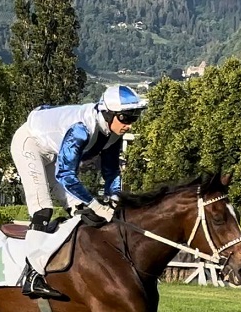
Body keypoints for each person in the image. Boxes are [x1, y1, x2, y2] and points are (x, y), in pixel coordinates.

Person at [10, 85, 148, 298]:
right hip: (30, 143)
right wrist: (97, 204)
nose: (129, 125)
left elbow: (111, 171)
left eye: (133, 118)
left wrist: (113, 200)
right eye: (125, 118)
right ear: (108, 113)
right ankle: (31, 275)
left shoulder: (112, 133)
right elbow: (65, 175)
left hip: (52, 151)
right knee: (43, 210)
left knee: (80, 210)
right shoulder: (81, 129)